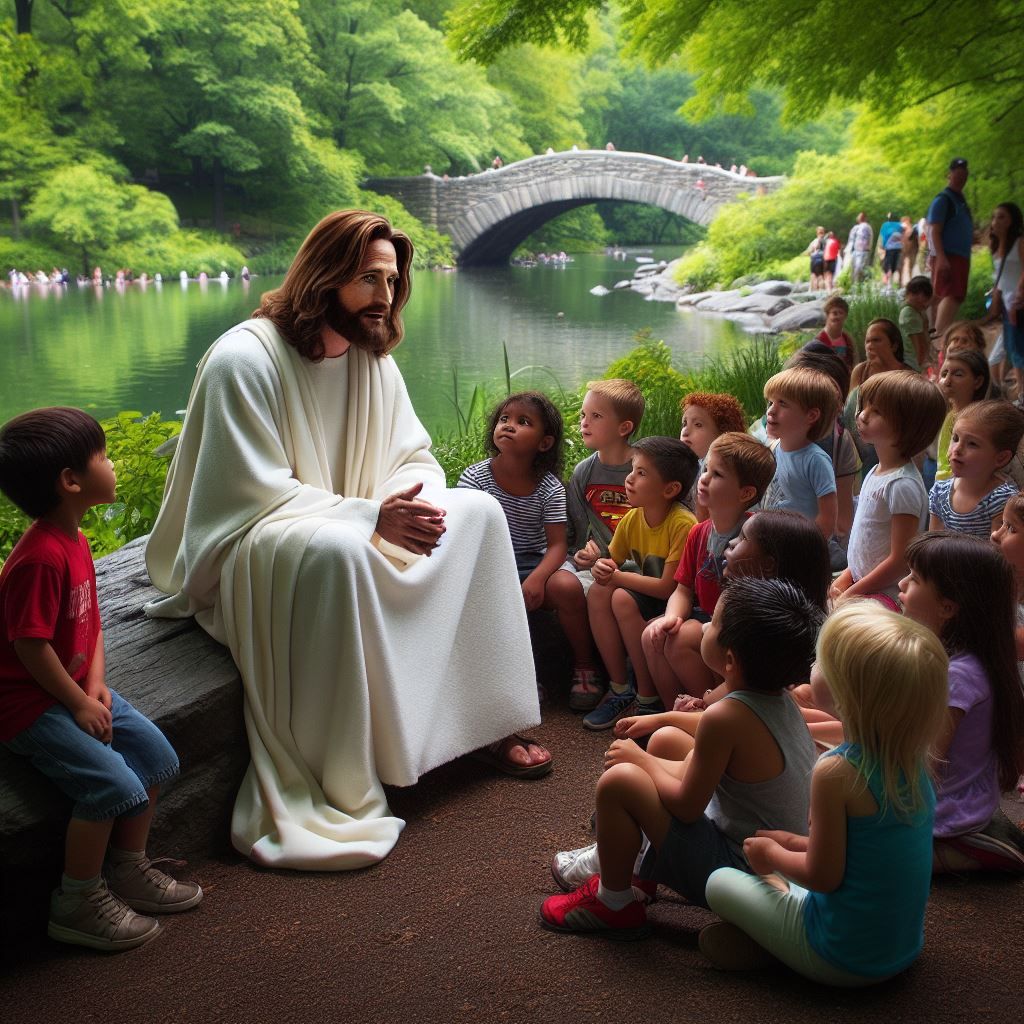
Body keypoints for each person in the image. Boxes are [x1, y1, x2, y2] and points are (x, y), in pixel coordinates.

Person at [145, 210, 550, 870]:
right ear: (323, 277)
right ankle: (352, 769)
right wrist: (368, 519)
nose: (385, 298)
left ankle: (480, 725)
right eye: (368, 279)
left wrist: (403, 506)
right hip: (259, 546)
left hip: (357, 523)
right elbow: (248, 496)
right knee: (338, 552)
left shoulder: (369, 360)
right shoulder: (244, 360)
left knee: (476, 511)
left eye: (392, 280)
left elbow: (413, 458)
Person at [0, 408, 202, 951]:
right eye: (103, 457)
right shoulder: (38, 559)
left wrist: (95, 684)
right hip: (27, 703)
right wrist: (78, 703)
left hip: (72, 690)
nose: (111, 465)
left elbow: (88, 627)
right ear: (71, 481)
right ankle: (77, 900)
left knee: (156, 759)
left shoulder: (76, 539)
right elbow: (29, 646)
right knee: (112, 786)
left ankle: (129, 868)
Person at [540, 577, 820, 938]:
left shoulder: (727, 717)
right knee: (667, 740)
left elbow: (687, 806)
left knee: (620, 780)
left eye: (714, 624)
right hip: (771, 860)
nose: (704, 627)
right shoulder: (778, 699)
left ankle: (613, 904)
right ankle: (640, 872)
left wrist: (639, 762)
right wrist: (661, 719)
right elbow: (702, 748)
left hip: (739, 873)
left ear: (730, 660)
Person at [701, 602, 948, 985]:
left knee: (719, 882)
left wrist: (772, 854)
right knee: (778, 870)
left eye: (822, 662)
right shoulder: (911, 757)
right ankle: (767, 939)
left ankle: (772, 948)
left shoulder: (837, 771)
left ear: (848, 693)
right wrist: (791, 842)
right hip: (899, 949)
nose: (812, 667)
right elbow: (861, 853)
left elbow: (823, 876)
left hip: (840, 957)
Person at [458, 392, 596, 711]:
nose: (509, 426)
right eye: (504, 419)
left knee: (567, 587)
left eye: (523, 422)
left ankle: (585, 666)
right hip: (491, 564)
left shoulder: (549, 488)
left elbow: (558, 545)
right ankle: (519, 676)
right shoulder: (475, 478)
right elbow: (468, 536)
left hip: (537, 564)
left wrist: (536, 579)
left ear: (544, 443)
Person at [900, 533, 1024, 873]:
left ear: (947, 607)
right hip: (965, 798)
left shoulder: (958, 676)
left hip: (946, 813)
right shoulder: (967, 660)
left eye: (913, 578)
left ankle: (964, 851)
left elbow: (926, 764)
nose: (901, 583)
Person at [642, 433, 775, 706]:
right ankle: (672, 710)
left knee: (681, 638)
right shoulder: (699, 533)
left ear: (746, 493)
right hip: (702, 617)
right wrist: (672, 617)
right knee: (653, 634)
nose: (704, 478)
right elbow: (682, 589)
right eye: (705, 469)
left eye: (717, 474)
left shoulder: (753, 538)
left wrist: (691, 625)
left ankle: (704, 712)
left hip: (735, 628)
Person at [583, 437, 699, 730]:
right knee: (599, 591)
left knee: (620, 595)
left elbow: (667, 588)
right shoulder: (632, 518)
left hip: (679, 606)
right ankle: (620, 688)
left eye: (642, 473)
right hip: (651, 596)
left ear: (670, 489)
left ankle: (647, 697)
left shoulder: (682, 524)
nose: (630, 479)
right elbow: (613, 563)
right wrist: (599, 565)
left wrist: (615, 575)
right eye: (632, 469)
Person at [830, 371, 947, 607]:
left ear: (908, 426)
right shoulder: (875, 472)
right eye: (865, 406)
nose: (862, 415)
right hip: (862, 586)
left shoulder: (902, 485)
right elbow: (865, 543)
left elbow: (900, 560)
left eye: (877, 412)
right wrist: (846, 578)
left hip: (885, 597)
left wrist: (850, 594)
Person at [564, 380, 644, 710]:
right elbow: (577, 533)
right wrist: (582, 553)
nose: (584, 422)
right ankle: (603, 676)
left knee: (614, 593)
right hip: (598, 565)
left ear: (624, 427)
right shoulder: (584, 472)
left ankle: (632, 679)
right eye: (583, 414)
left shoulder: (644, 468)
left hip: (640, 565)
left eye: (595, 415)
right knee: (572, 583)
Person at [760, 367, 842, 539]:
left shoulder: (815, 460)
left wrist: (810, 549)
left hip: (799, 549)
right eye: (771, 402)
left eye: (782, 403)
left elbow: (827, 518)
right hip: (769, 541)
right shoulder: (772, 450)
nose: (771, 411)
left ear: (811, 415)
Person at [929, 400, 1022, 537]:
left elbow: (998, 553)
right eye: (955, 438)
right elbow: (931, 544)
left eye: (972, 444)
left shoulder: (1002, 499)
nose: (957, 449)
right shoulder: (939, 492)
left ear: (1001, 458)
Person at [678, 391, 747, 518]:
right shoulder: (688, 465)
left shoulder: (725, 471)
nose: (685, 431)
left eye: (698, 424)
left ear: (723, 434)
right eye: (684, 423)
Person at [927, 158, 974, 336]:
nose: (962, 175)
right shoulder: (944, 200)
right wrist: (940, 257)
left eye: (964, 172)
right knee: (951, 295)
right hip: (948, 256)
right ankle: (938, 338)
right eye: (957, 172)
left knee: (946, 295)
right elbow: (934, 231)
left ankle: (936, 337)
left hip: (959, 257)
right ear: (950, 174)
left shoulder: (960, 200)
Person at [933, 347, 991, 484]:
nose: (947, 381)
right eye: (944, 374)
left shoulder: (982, 422)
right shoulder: (948, 416)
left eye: (958, 374)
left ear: (978, 382)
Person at [985, 202, 1024, 398]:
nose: (996, 221)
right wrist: (995, 301)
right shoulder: (996, 246)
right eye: (994, 217)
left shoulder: (1020, 242)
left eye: (1002, 217)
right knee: (1009, 348)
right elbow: (1001, 280)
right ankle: (1004, 393)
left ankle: (1021, 395)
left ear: (1012, 220)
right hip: (1007, 308)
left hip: (1019, 304)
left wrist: (1019, 292)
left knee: (1016, 349)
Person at [898, 276, 934, 373]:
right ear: (907, 294)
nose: (920, 298)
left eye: (925, 294)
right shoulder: (909, 313)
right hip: (914, 363)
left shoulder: (916, 311)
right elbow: (918, 343)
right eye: (916, 293)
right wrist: (921, 365)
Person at [811, 295, 855, 372]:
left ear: (845, 316)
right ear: (827, 315)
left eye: (841, 313)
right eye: (834, 313)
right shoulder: (818, 341)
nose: (837, 316)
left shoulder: (848, 339)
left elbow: (853, 363)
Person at [845, 212, 873, 284]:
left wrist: (867, 249)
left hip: (863, 251)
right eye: (859, 216)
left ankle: (862, 284)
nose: (859, 218)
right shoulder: (856, 227)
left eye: (861, 216)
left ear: (865, 218)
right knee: (853, 269)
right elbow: (851, 240)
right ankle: (854, 286)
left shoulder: (866, 227)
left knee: (860, 268)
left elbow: (869, 239)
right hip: (855, 251)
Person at [878, 211, 903, 287]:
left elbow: (884, 236)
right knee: (895, 265)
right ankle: (896, 282)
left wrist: (882, 246)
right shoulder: (900, 225)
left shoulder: (885, 225)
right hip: (899, 248)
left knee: (888, 264)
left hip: (889, 248)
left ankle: (888, 282)